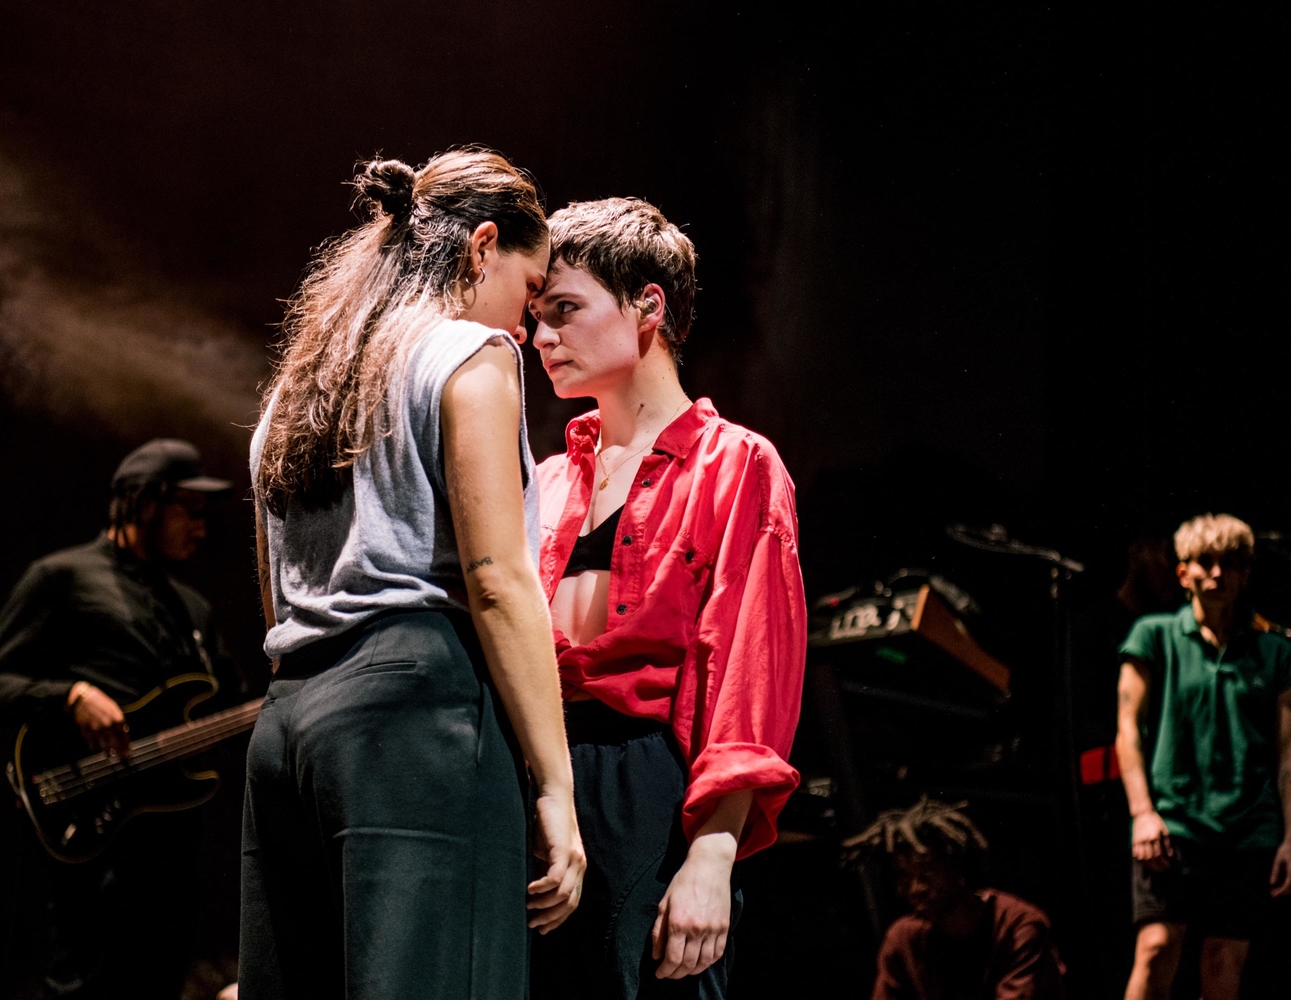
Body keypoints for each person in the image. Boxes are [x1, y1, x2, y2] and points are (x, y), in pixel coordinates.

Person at [241, 148, 586, 1000]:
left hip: (286, 723)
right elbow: (497, 577)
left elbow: (272, 582)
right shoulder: (469, 356)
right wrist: (555, 783)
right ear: (481, 248)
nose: (527, 324)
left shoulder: (298, 385)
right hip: (415, 717)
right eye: (530, 288)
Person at [526, 197, 806, 999]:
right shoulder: (541, 480)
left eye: (566, 311)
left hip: (644, 785)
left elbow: (750, 664)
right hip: (531, 778)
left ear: (647, 305)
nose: (542, 338)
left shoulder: (736, 464)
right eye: (538, 317)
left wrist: (714, 854)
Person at [0, 437, 237, 1000]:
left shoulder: (193, 609)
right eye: (188, 509)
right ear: (143, 502)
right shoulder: (60, 576)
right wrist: (70, 695)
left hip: (171, 844)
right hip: (93, 831)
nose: (201, 526)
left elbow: (230, 703)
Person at [1116, 513, 1291, 1000]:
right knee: (1155, 948)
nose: (1218, 573)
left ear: (1246, 574)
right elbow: (1127, 731)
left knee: (1223, 961)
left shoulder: (1274, 651)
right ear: (1183, 573)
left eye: (1231, 563)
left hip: (1246, 830)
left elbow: (1288, 753)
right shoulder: (1153, 636)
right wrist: (1143, 813)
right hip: (1173, 825)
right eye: (1206, 562)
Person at [844, 797, 1066, 1000]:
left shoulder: (1019, 926)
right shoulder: (904, 940)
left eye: (926, 873)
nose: (914, 888)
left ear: (956, 867)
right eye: (902, 875)